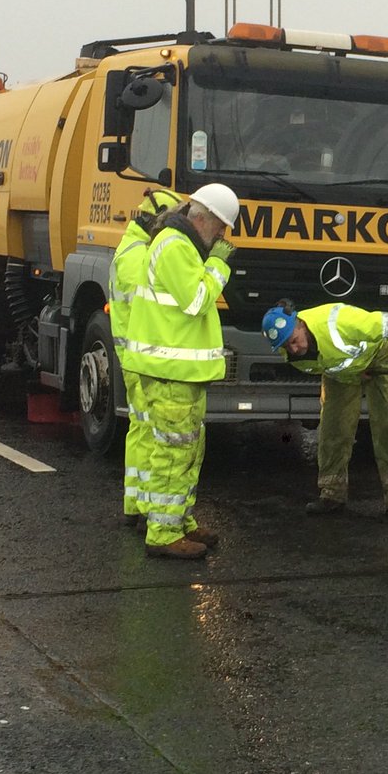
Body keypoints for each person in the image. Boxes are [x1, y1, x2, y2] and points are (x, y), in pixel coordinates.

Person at [117, 183, 239, 561]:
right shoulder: (174, 246)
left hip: (180, 372)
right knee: (173, 453)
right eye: (219, 229)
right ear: (201, 218)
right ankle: (164, 532)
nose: (220, 236)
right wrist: (219, 264)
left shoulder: (178, 244)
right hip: (171, 372)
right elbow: (197, 300)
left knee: (185, 449)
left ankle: (178, 519)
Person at [262, 300, 388, 519]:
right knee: (333, 428)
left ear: (300, 323)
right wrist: (355, 373)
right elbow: (327, 365)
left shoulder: (340, 322)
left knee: (386, 425)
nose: (294, 349)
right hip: (343, 374)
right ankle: (332, 493)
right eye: (286, 346)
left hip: (377, 357)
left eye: (294, 340)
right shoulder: (290, 355)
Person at [109, 184, 184, 530]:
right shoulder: (140, 258)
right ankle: (149, 508)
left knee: (140, 430)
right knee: (154, 434)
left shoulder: (130, 250)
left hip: (133, 357)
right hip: (142, 358)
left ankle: (135, 503)